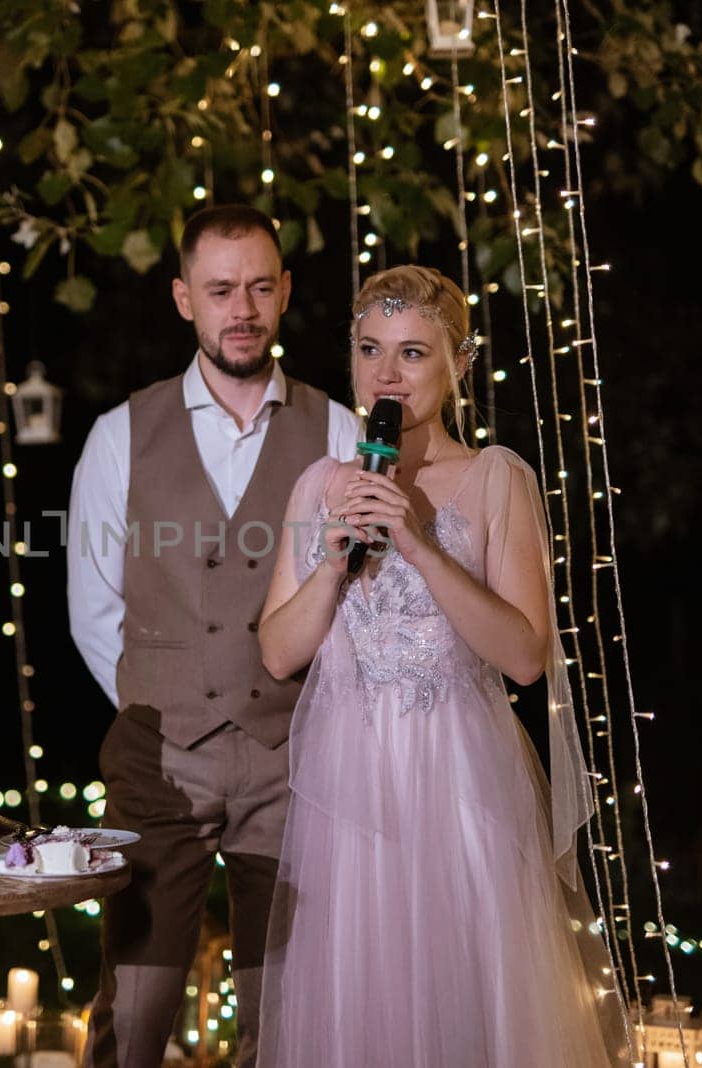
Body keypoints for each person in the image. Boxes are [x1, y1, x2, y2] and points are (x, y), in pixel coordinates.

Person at [255, 265, 630, 1066]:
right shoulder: (321, 484)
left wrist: (421, 547)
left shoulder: (497, 478)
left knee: (469, 996)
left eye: (414, 352)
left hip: (459, 780)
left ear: (459, 365)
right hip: (351, 791)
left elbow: (526, 657)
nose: (386, 374)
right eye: (370, 349)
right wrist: (329, 566)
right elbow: (280, 651)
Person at [67, 204, 362, 1068]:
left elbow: (355, 600)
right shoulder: (120, 434)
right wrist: (166, 707)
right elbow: (94, 610)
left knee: (283, 1018)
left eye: (260, 288)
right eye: (221, 289)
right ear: (184, 299)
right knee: (134, 1009)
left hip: (296, 760)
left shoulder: (338, 430)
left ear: (286, 294)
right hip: (160, 765)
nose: (243, 308)